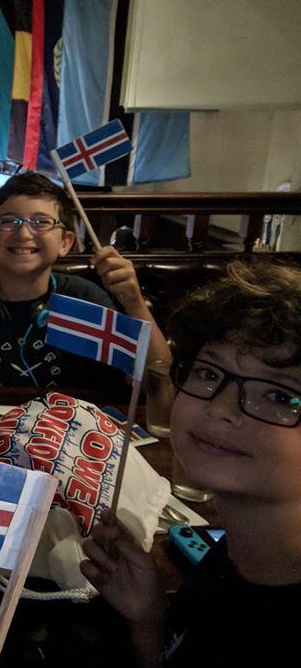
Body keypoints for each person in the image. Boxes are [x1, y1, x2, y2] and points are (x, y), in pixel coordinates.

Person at [79, 262, 301, 667]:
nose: (220, 409)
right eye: (208, 372)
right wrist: (149, 618)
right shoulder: (229, 561)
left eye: (280, 396)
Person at [0, 171, 170, 390]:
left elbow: (156, 377)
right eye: (8, 222)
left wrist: (134, 302)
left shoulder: (86, 299)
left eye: (41, 222)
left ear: (66, 243)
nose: (23, 234)